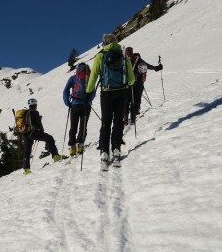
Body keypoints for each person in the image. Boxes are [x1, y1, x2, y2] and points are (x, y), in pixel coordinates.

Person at [85, 34, 135, 167]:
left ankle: (104, 152)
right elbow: (131, 79)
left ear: (104, 43)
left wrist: (88, 92)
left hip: (106, 93)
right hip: (122, 92)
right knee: (118, 121)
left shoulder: (100, 56)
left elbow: (93, 76)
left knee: (105, 122)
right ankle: (116, 149)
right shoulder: (123, 55)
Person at [22, 98, 63, 174]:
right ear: (35, 104)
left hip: (25, 134)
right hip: (33, 133)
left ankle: (26, 169)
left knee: (27, 151)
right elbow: (38, 124)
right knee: (49, 138)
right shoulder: (35, 112)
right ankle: (55, 156)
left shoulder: (25, 113)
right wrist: (41, 131)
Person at [123, 46, 163, 125]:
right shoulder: (137, 59)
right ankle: (133, 116)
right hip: (138, 82)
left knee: (127, 100)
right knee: (135, 99)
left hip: (127, 83)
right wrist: (156, 68)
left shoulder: (125, 60)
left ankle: (126, 118)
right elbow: (147, 66)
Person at [63, 62, 96, 156]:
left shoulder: (73, 78)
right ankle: (80, 145)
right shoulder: (89, 78)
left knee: (73, 126)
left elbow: (66, 90)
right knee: (83, 126)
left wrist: (67, 102)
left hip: (75, 104)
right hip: (86, 106)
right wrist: (88, 100)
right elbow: (93, 92)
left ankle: (72, 147)